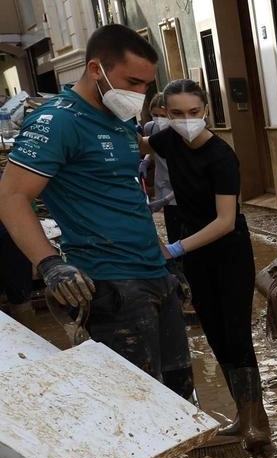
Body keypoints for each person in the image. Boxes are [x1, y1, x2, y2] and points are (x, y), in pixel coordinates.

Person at [0, 25, 194, 399]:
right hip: (110, 283)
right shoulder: (57, 122)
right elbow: (10, 197)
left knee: (180, 395)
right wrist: (50, 264)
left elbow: (127, 197)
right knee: (138, 401)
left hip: (153, 274)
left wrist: (165, 260)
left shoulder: (119, 121)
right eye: (133, 82)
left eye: (145, 86)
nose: (139, 94)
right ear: (95, 69)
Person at [143, 78, 268, 445]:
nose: (186, 120)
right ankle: (246, 416)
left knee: (236, 334)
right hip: (195, 254)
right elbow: (141, 145)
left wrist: (174, 249)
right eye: (177, 113)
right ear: (165, 112)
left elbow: (226, 221)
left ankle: (256, 424)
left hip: (229, 251)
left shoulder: (221, 156)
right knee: (213, 334)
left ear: (207, 111)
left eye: (194, 113)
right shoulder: (168, 140)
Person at [140, 93, 180, 240]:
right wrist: (146, 160)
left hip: (181, 188)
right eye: (154, 115)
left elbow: (186, 179)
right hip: (163, 184)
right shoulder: (152, 129)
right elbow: (153, 147)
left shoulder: (181, 134)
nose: (159, 119)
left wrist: (166, 200)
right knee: (172, 226)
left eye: (162, 115)